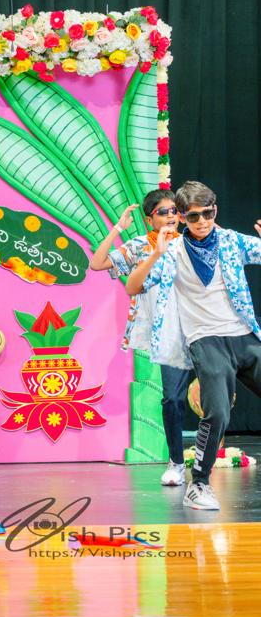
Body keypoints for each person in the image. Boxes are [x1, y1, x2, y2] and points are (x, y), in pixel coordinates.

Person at [126, 181, 261, 511]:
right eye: (194, 216)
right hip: (206, 339)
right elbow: (133, 286)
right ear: (183, 217)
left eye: (208, 213)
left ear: (215, 210)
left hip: (243, 335)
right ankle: (198, 484)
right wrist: (154, 256)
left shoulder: (231, 240)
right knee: (217, 412)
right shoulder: (172, 252)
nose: (202, 221)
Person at [89, 190, 192, 486]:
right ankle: (176, 462)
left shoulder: (190, 242)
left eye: (174, 211)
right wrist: (118, 228)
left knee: (213, 395)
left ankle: (205, 458)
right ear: (149, 219)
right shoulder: (139, 246)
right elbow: (97, 263)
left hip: (199, 328)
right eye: (163, 212)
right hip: (168, 334)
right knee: (172, 398)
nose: (171, 216)